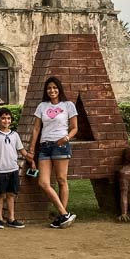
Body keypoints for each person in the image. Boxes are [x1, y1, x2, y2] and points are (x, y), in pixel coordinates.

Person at [28, 76, 78, 228]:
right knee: (43, 182)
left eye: (55, 88)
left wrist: (66, 138)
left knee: (61, 180)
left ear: (59, 89)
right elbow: (36, 128)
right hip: (44, 146)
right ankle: (64, 214)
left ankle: (60, 216)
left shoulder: (68, 105)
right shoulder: (42, 106)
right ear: (46, 90)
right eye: (49, 88)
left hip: (60, 145)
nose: (52, 90)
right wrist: (31, 148)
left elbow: (75, 127)